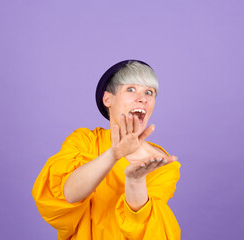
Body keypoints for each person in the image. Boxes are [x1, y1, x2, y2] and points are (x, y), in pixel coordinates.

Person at [32, 60, 181, 240]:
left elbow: (144, 229)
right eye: (131, 89)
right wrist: (114, 154)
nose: (143, 98)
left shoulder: (161, 163)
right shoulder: (84, 141)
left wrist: (136, 180)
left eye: (149, 92)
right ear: (107, 99)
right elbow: (69, 194)